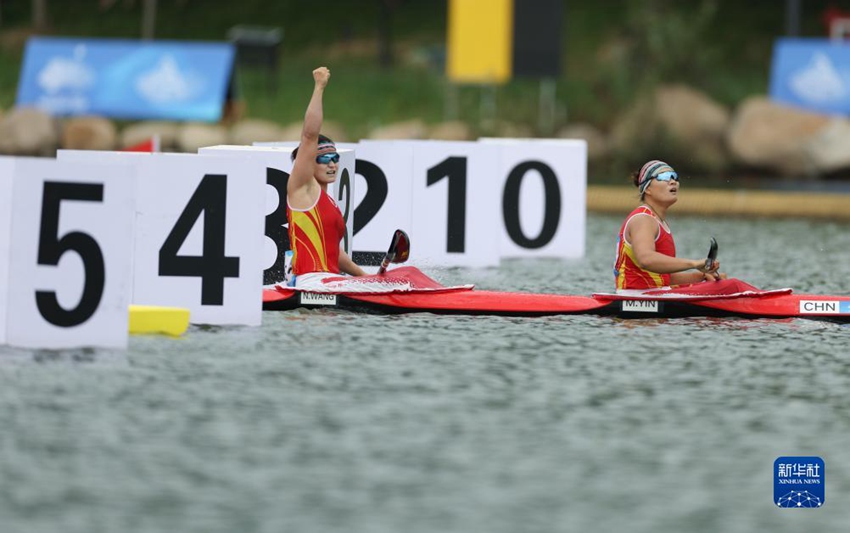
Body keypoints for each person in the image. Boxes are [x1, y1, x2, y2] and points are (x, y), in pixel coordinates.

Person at [286, 66, 366, 289]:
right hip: (311, 282)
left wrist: (365, 276)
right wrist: (319, 87)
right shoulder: (302, 187)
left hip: (329, 282)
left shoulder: (326, 198)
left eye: (335, 157)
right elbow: (309, 135)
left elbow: (331, 250)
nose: (332, 164)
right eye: (324, 159)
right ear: (310, 160)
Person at [613, 160, 725, 290]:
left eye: (674, 177)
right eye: (664, 177)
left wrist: (701, 277)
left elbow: (663, 277)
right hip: (634, 297)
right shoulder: (643, 219)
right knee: (729, 288)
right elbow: (646, 259)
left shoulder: (658, 221)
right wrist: (694, 263)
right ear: (647, 188)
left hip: (654, 294)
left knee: (723, 282)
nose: (673, 181)